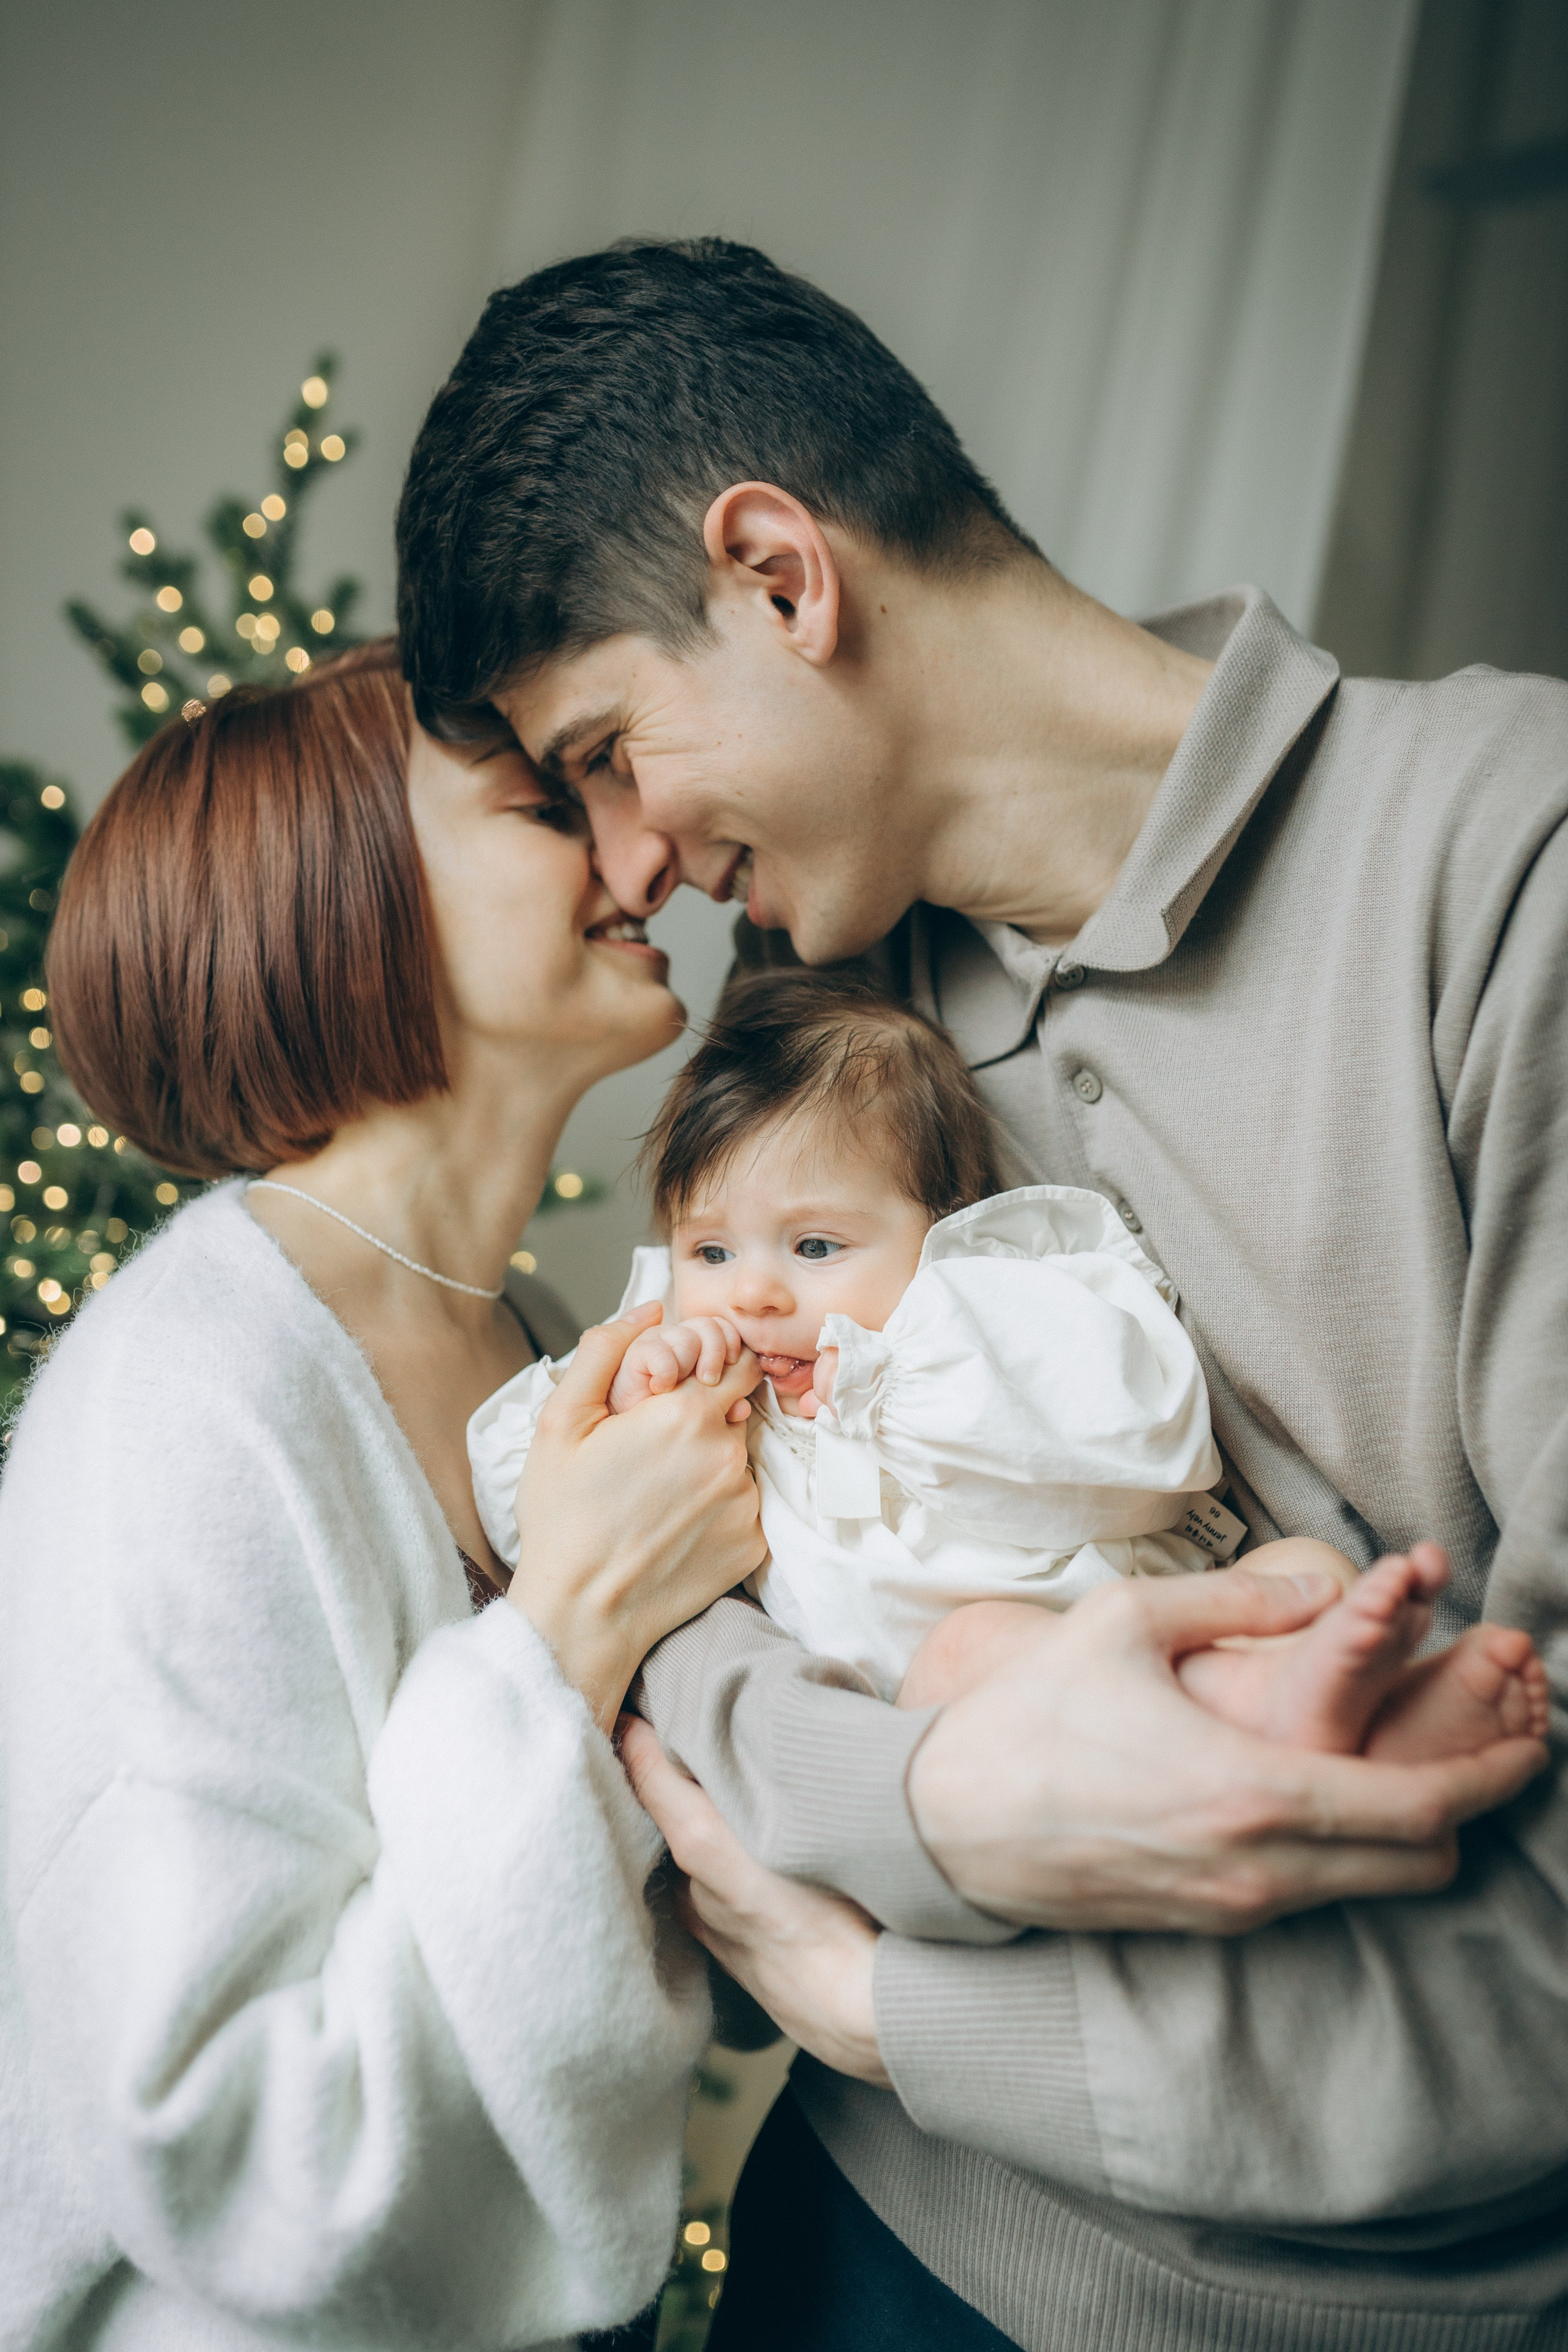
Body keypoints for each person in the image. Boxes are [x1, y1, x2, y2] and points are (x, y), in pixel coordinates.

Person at [397, 238, 1565, 2351]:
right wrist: (949, 1804)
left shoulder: (1509, 871)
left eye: (609, 751)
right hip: (858, 2239)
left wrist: (894, 2003)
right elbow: (684, 1585)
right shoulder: (823, 998)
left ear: (780, 576)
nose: (626, 868)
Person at [0, 640, 767, 2352]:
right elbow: (226, 2138)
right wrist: (568, 1630)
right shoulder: (182, 1395)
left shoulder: (540, 1339)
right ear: (343, 903)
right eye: (545, 810)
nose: (643, 847)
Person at [472, 967, 1547, 1760]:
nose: (752, 1294)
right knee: (973, 1647)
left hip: (1153, 1624)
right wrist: (631, 1397)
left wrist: (894, 1381)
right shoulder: (685, 1380)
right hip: (973, 1728)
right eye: (710, 1251)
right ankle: (1288, 1725)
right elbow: (521, 1502)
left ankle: (1347, 1713)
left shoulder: (981, 1319)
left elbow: (1157, 1441)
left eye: (816, 1247)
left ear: (943, 1228)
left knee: (1307, 1571)